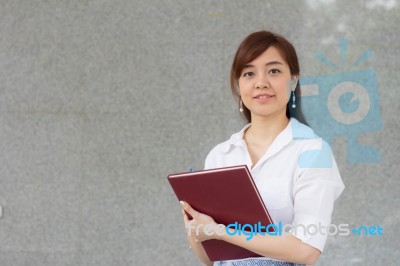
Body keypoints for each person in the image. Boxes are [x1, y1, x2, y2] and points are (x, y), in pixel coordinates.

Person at [180, 31, 345, 266]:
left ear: (294, 80)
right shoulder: (220, 154)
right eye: (249, 73)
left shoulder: (313, 152)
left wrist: (219, 231)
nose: (261, 82)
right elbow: (209, 259)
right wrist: (194, 227)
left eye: (274, 71)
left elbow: (306, 250)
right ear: (239, 85)